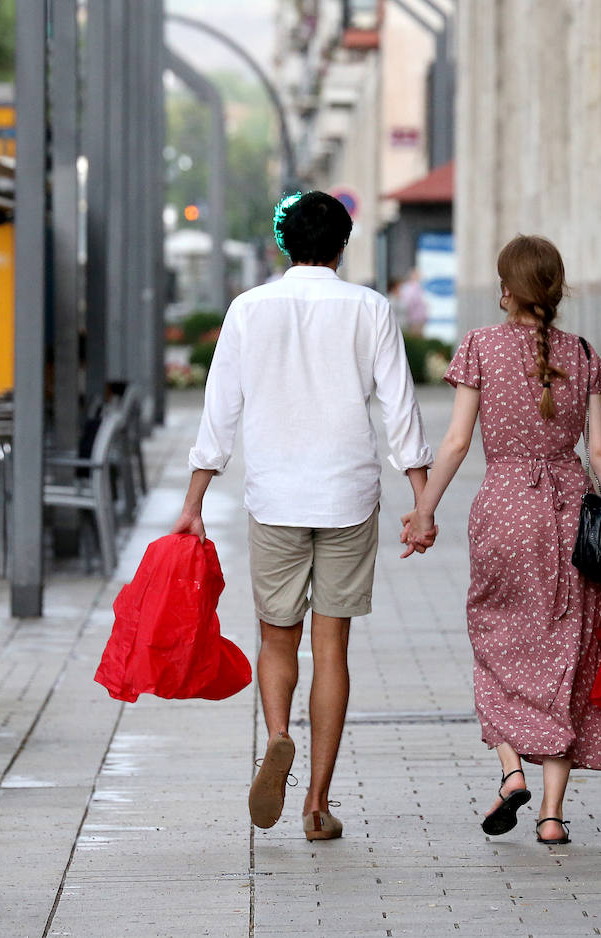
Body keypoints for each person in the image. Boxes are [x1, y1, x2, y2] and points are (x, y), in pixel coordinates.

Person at [173, 191, 434, 841]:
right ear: (344, 244)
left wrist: (194, 500)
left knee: (276, 637)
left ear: (283, 244)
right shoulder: (369, 309)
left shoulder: (248, 309)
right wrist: (421, 501)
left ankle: (280, 735)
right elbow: (401, 412)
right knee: (332, 645)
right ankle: (317, 802)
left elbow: (220, 410)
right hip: (347, 496)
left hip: (276, 497)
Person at [399, 235, 601, 846]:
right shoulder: (581, 353)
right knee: (568, 654)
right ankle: (552, 814)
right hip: (573, 513)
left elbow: (455, 443)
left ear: (507, 289)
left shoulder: (479, 346)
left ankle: (509, 772)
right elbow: (599, 450)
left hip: (504, 511)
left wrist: (423, 512)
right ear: (555, 289)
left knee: (496, 641)